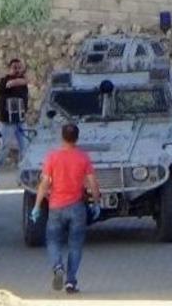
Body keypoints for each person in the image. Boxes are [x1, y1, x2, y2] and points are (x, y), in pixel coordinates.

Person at [31, 123, 101, 294]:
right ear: (77, 138)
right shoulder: (83, 157)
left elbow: (45, 183)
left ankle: (57, 267)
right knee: (75, 245)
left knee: (53, 241)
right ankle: (71, 282)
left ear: (62, 137)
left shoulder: (52, 157)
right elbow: (92, 182)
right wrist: (96, 202)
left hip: (56, 207)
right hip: (77, 207)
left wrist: (37, 206)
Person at [0, 58, 30, 187]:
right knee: (4, 149)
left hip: (20, 121)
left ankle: (21, 177)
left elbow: (26, 82)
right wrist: (19, 78)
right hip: (7, 122)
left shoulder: (23, 82)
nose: (17, 70)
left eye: (19, 67)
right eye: (14, 67)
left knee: (25, 149)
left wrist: (22, 78)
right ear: (9, 69)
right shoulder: (5, 81)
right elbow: (10, 84)